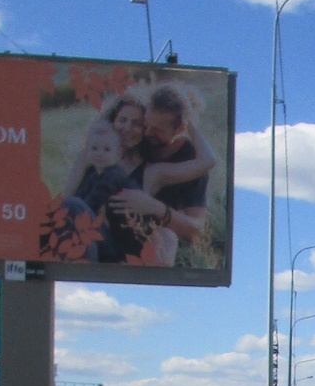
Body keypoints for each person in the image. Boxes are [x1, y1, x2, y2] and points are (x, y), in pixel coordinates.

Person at [111, 84, 217, 266]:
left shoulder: (189, 160)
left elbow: (198, 232)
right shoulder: (137, 140)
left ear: (180, 128)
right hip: (112, 231)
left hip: (151, 241)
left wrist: (157, 209)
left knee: (165, 238)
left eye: (157, 129)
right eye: (146, 124)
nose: (148, 132)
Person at [55, 119, 140, 263]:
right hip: (102, 237)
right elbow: (80, 198)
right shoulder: (93, 175)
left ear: (119, 154)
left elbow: (90, 205)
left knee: (74, 208)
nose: (99, 154)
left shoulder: (115, 176)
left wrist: (71, 209)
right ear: (87, 151)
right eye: (94, 148)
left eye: (106, 149)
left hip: (120, 247)